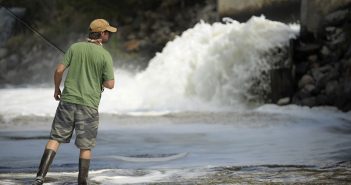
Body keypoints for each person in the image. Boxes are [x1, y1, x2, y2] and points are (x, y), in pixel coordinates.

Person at [32, 19, 117, 185]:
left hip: (67, 101)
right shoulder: (105, 55)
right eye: (107, 32)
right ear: (100, 34)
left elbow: (59, 70)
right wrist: (99, 78)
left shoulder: (75, 47)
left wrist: (57, 89)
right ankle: (82, 182)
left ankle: (39, 177)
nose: (109, 35)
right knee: (86, 147)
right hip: (88, 105)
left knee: (55, 138)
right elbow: (110, 85)